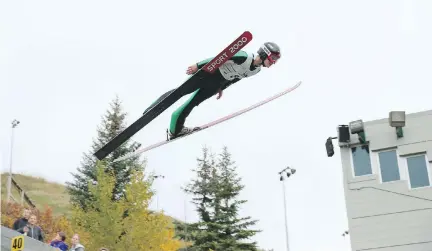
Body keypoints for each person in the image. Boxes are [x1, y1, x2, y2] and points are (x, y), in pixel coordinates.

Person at [145, 42, 281, 139]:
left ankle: (176, 130)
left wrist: (222, 88)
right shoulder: (244, 56)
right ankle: (151, 110)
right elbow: (220, 57)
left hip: (216, 84)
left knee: (192, 103)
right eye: (273, 58)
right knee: (179, 92)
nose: (273, 62)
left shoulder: (256, 70)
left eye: (276, 60)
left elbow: (236, 78)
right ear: (265, 53)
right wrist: (198, 65)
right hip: (208, 74)